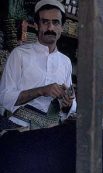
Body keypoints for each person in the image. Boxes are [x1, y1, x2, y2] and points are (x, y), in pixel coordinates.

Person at [0, 0, 76, 129]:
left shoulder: (66, 62)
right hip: (18, 128)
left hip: (51, 131)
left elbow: (71, 104)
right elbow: (4, 98)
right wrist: (41, 90)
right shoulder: (19, 54)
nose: (50, 28)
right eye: (45, 22)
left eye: (55, 22)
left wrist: (68, 104)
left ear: (62, 27)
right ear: (36, 25)